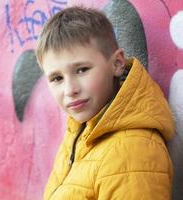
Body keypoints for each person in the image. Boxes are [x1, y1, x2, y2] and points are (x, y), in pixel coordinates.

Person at [35, 6, 174, 200]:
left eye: (82, 70)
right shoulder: (79, 132)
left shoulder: (132, 152)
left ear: (117, 63)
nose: (70, 90)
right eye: (57, 78)